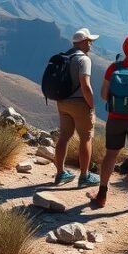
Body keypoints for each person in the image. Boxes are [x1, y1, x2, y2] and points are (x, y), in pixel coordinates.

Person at [87, 34, 128, 211]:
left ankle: (101, 196)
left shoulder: (112, 68)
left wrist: (118, 102)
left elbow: (103, 95)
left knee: (110, 155)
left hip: (115, 118)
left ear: (124, 50)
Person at [52, 28, 101, 187]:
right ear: (84, 42)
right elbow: (85, 86)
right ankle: (84, 176)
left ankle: (60, 174)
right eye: (90, 42)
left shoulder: (65, 56)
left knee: (64, 137)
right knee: (86, 139)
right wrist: (92, 106)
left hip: (62, 103)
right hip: (79, 103)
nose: (91, 45)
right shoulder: (84, 60)